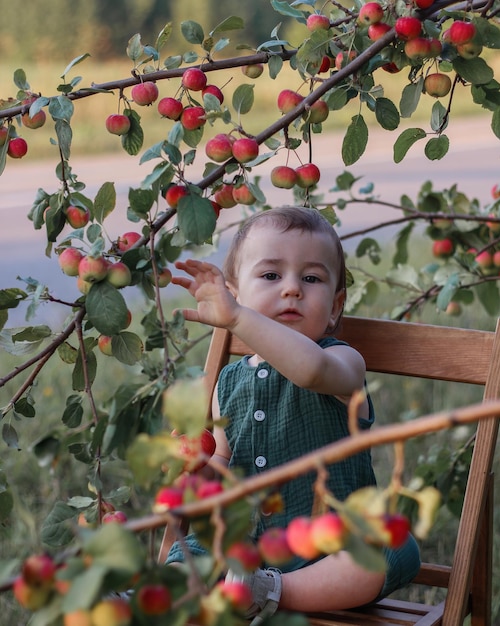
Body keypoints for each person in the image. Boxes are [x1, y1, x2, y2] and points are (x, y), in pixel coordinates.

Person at [169, 206, 420, 622]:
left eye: (312, 278)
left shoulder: (341, 361)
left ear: (336, 306)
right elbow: (223, 463)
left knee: (393, 548)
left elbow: (309, 371)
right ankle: (143, 598)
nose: (292, 290)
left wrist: (237, 318)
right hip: (247, 547)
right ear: (234, 292)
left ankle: (267, 591)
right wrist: (201, 473)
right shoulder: (229, 382)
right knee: (189, 552)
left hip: (332, 548)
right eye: (271, 275)